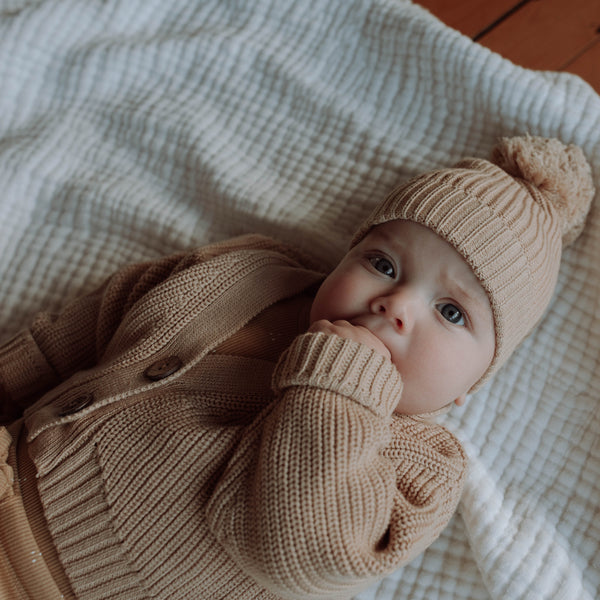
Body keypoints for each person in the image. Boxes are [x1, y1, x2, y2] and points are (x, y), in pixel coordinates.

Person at [0, 135, 594, 599]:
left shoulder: (419, 467)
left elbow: (302, 553)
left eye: (450, 312)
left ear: (473, 384)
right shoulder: (254, 274)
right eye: (383, 262)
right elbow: (102, 320)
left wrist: (339, 389)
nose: (397, 304)